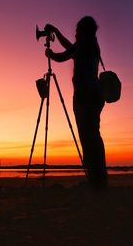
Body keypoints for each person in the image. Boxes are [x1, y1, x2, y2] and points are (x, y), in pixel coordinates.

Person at [45, 16, 107, 189]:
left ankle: (96, 182)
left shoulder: (84, 45)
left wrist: (50, 54)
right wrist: (56, 32)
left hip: (84, 97)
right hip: (94, 96)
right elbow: (71, 49)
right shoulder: (91, 45)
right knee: (94, 137)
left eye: (77, 30)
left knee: (88, 139)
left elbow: (64, 55)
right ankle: (99, 179)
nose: (76, 33)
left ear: (83, 31)